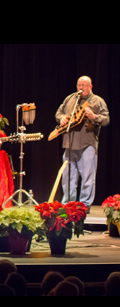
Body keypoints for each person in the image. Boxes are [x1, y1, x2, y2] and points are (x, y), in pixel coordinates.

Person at [55, 76, 109, 211]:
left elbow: (106, 119)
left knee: (87, 178)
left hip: (87, 144)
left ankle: (84, 205)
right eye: (79, 84)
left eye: (84, 85)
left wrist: (94, 117)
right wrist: (62, 118)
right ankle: (68, 204)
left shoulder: (97, 101)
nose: (81, 87)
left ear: (90, 87)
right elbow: (59, 113)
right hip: (69, 144)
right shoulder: (70, 99)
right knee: (68, 177)